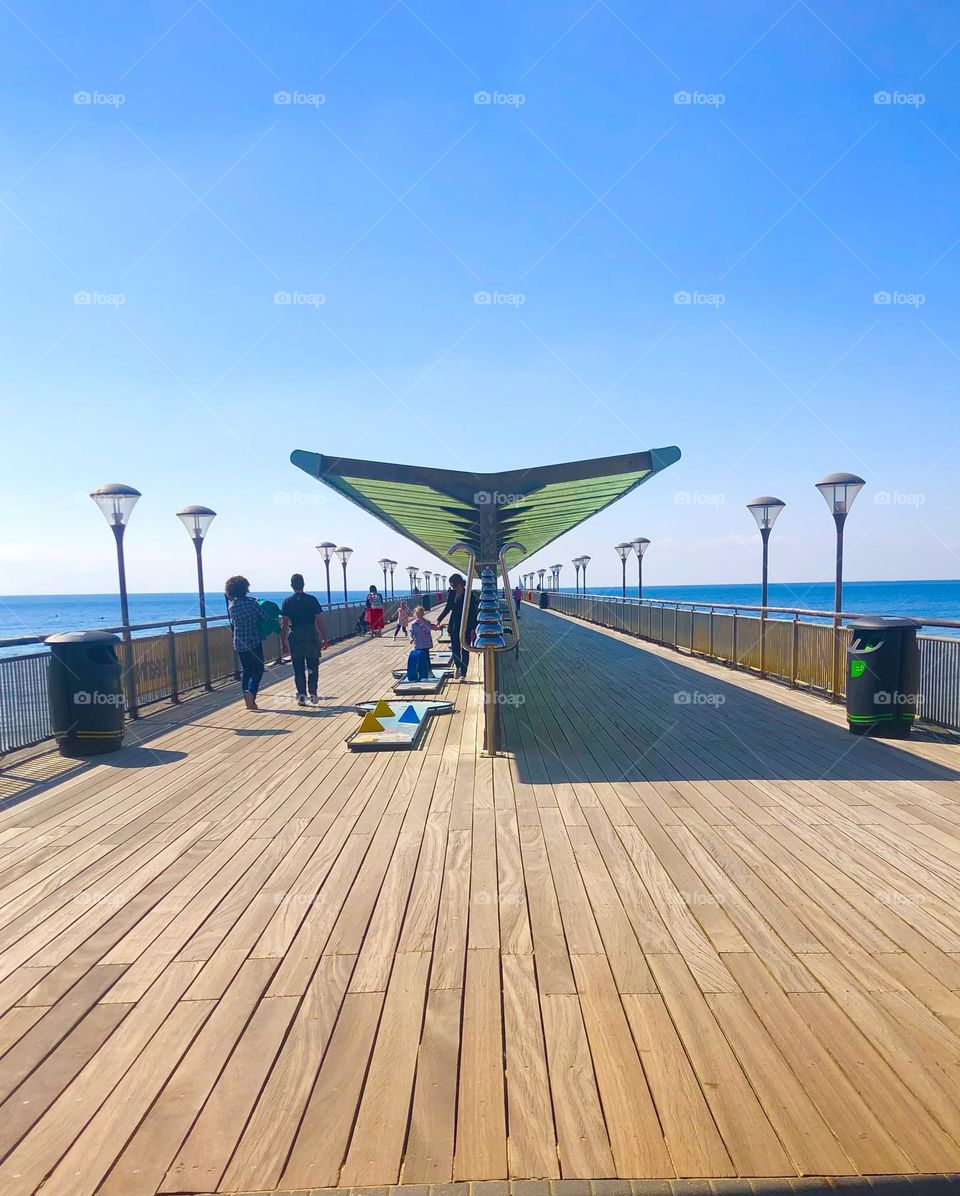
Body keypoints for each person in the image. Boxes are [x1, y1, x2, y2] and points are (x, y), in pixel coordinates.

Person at [280, 573, 328, 706]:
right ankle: (313, 692)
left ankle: (301, 696)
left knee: (298, 669)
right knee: (313, 666)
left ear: (292, 586)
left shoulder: (287, 602)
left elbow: (284, 624)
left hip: (295, 638)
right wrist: (325, 638)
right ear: (303, 584)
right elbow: (319, 621)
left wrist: (282, 642)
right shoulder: (312, 600)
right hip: (311, 637)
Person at [225, 575, 270, 710]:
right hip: (254, 641)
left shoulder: (232, 607)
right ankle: (251, 692)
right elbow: (265, 617)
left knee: (247, 670)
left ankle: (247, 695)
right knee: (258, 669)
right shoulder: (251, 603)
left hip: (239, 642)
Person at [436, 573, 477, 680]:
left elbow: (474, 613)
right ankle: (458, 667)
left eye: (455, 586)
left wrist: (473, 628)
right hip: (454, 625)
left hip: (466, 625)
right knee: (455, 650)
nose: (454, 588)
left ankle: (463, 674)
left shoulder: (469, 595)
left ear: (460, 584)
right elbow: (447, 608)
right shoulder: (452, 594)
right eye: (452, 586)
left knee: (465, 649)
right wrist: (439, 619)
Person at [407, 605, 440, 681]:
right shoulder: (413, 624)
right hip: (418, 643)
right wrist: (411, 638)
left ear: (423, 614)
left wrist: (439, 628)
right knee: (418, 658)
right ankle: (419, 672)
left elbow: (433, 627)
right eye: (418, 614)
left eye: (421, 614)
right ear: (415, 615)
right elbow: (410, 633)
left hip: (426, 643)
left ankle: (429, 671)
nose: (420, 616)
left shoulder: (427, 622)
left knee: (426, 658)